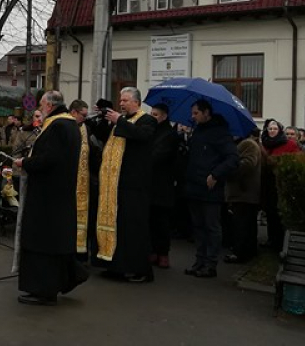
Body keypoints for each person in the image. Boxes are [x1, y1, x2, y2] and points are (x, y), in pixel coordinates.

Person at [12, 90, 87, 306]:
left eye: (42, 104)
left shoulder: (57, 125)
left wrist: (24, 163)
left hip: (47, 196)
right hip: (59, 194)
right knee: (55, 242)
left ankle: (44, 291)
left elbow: (48, 159)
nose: (40, 108)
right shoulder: (69, 124)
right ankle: (59, 281)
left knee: (41, 241)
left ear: (49, 105)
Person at [97, 87, 158, 282]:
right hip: (116, 185)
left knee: (134, 227)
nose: (121, 103)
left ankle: (141, 270)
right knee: (118, 226)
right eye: (120, 100)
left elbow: (142, 137)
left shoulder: (146, 120)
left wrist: (119, 121)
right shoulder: (120, 122)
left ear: (136, 103)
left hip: (135, 185)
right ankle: (117, 266)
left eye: (125, 100)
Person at [183, 99, 239, 278]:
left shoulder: (221, 133)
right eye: (192, 113)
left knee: (211, 227)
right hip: (194, 186)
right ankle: (199, 261)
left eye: (196, 113)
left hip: (210, 189)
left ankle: (210, 263)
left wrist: (215, 175)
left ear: (206, 113)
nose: (193, 117)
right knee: (197, 227)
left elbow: (232, 159)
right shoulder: (197, 131)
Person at [260, 118, 300, 251]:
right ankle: (271, 239)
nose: (272, 131)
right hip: (266, 184)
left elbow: (295, 163)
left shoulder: (289, 144)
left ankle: (281, 242)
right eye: (270, 129)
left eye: (275, 129)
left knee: (279, 214)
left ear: (279, 130)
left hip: (280, 184)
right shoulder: (264, 144)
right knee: (270, 213)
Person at [148, 103, 180, 269]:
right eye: (151, 114)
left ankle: (163, 253)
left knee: (162, 222)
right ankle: (153, 251)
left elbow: (159, 156)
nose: (152, 117)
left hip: (163, 185)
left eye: (155, 114)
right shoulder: (152, 131)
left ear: (164, 116)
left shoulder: (170, 135)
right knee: (151, 220)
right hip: (150, 183)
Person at [224, 129, 262, 264]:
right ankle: (246, 252)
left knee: (242, 225)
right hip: (242, 192)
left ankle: (241, 253)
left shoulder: (248, 144)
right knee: (245, 224)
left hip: (244, 192)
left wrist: (228, 167)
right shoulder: (242, 144)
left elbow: (248, 164)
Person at [66, 100, 91, 258]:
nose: (85, 119)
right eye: (83, 115)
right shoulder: (64, 127)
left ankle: (80, 252)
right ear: (73, 112)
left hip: (83, 182)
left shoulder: (86, 128)